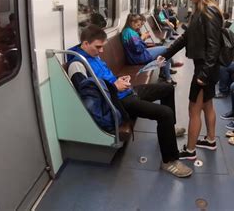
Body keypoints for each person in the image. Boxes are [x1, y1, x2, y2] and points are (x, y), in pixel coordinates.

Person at [67, 25, 192, 178]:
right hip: (117, 102)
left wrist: (118, 81)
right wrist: (114, 87)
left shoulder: (93, 56)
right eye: (98, 47)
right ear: (85, 44)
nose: (101, 51)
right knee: (164, 113)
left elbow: (104, 79)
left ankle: (169, 131)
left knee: (167, 88)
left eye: (102, 47)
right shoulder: (77, 64)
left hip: (125, 91)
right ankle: (169, 161)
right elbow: (88, 96)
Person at [161, 0, 223, 160]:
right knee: (207, 106)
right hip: (206, 68)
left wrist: (203, 74)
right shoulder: (199, 11)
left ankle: (190, 151)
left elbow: (214, 46)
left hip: (205, 68)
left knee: (193, 110)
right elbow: (186, 37)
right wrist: (166, 54)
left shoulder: (209, 12)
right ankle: (211, 140)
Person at [120, 14, 178, 85]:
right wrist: (142, 38)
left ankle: (165, 73)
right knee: (166, 50)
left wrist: (142, 39)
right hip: (138, 57)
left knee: (165, 50)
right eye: (138, 25)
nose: (139, 27)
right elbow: (138, 49)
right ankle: (167, 78)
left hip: (136, 55)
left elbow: (136, 46)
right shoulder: (129, 33)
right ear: (132, 23)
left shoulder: (128, 31)